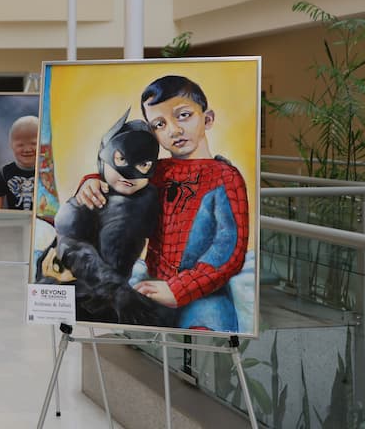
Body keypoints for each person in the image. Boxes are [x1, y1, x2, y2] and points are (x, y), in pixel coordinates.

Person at [77, 75, 249, 332]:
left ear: (208, 119)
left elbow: (229, 249)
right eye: (159, 124)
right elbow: (122, 181)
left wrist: (179, 288)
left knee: (207, 336)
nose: (173, 130)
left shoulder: (226, 177)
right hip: (153, 284)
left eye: (183, 116)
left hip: (205, 293)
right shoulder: (155, 171)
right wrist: (92, 181)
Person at [36, 110, 174, 326]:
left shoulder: (148, 195)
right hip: (72, 287)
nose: (130, 174)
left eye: (143, 165)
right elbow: (70, 247)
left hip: (117, 292)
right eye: (122, 159)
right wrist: (116, 290)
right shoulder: (90, 197)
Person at [0, 115, 38, 210]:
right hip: (15, 217)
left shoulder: (47, 171)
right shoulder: (6, 171)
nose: (27, 149)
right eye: (20, 145)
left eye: (34, 143)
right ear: (11, 145)